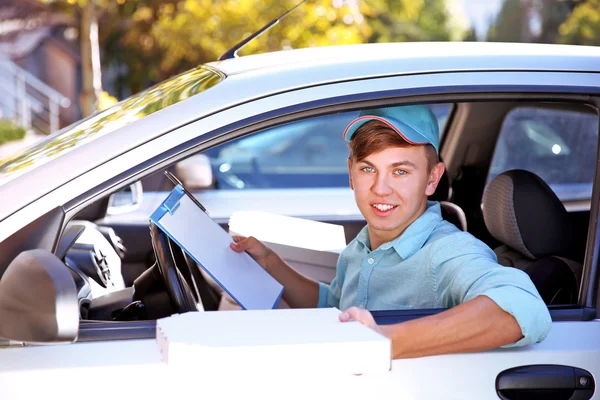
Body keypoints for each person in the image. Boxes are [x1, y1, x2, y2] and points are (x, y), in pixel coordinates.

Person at [231, 104, 552, 359]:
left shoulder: (446, 251)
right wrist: (270, 262)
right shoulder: (361, 247)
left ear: (432, 178)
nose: (380, 188)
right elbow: (335, 304)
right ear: (351, 174)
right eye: (368, 168)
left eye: (400, 171)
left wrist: (383, 342)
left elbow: (523, 307)